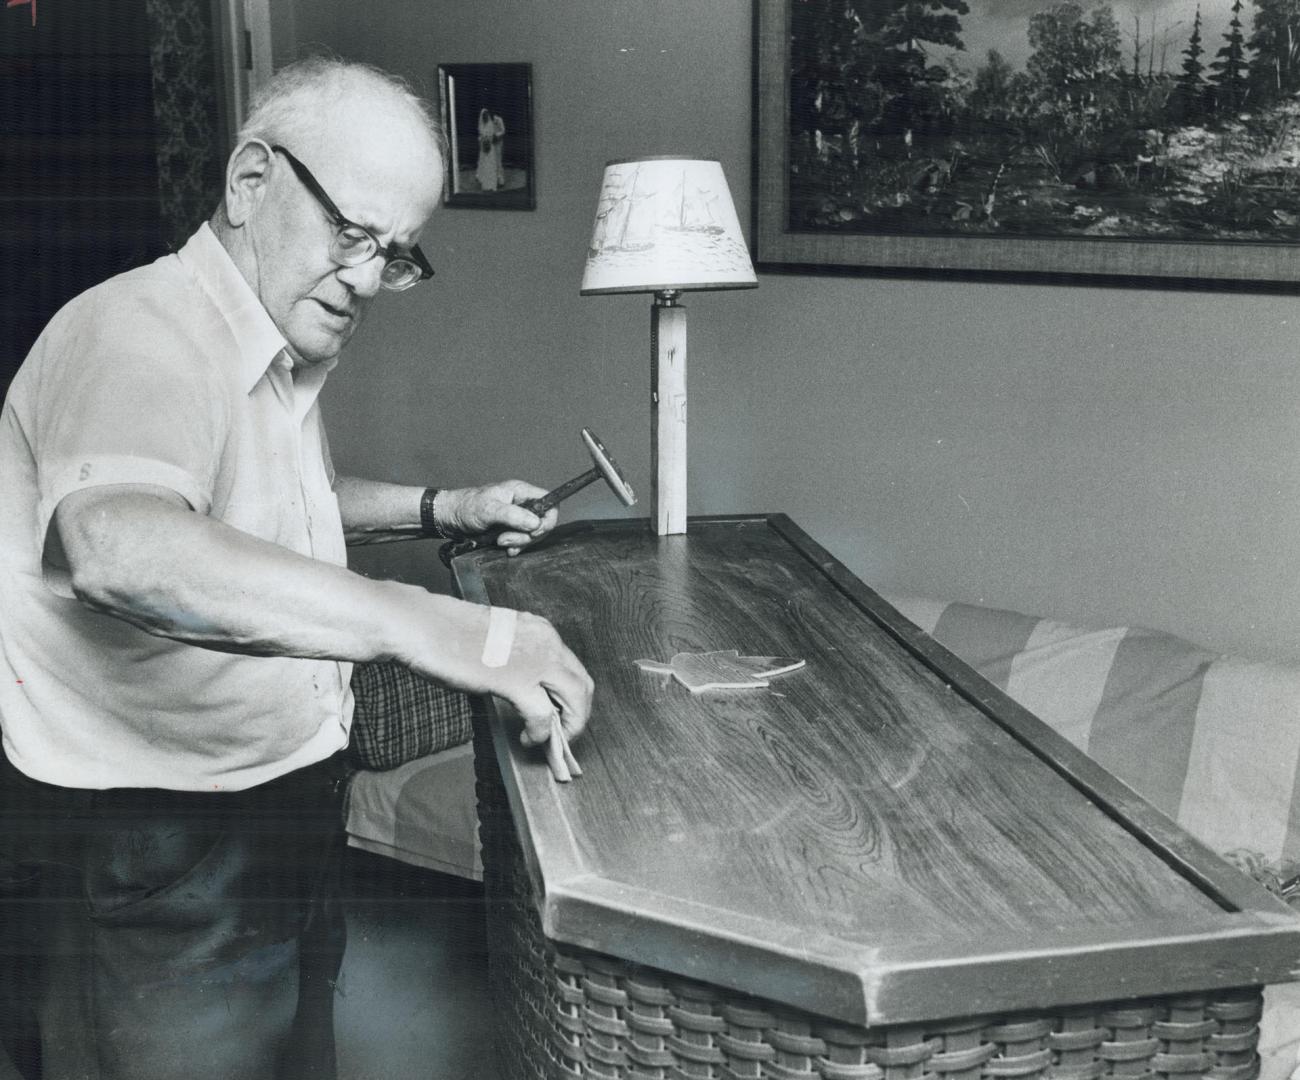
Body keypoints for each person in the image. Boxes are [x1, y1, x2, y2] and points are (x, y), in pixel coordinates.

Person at [0, 55, 592, 1080]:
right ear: (249, 183)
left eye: (397, 252)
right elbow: (124, 548)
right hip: (163, 832)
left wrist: (439, 508)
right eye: (353, 234)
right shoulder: (134, 335)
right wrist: (453, 629)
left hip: (277, 798)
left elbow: (264, 511)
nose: (369, 277)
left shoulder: (263, 348)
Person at [475, 106, 506, 191]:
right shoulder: (486, 123)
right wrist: (485, 140)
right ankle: (486, 179)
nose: (487, 116)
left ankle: (500, 180)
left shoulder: (498, 119)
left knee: (498, 161)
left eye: (487, 114)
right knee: (488, 162)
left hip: (498, 143)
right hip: (489, 144)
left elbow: (503, 131)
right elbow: (482, 134)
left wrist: (496, 136)